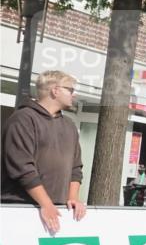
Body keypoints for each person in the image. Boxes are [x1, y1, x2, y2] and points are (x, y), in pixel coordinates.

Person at [1, 70, 87, 234]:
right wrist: (46, 204)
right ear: (55, 90)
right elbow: (22, 168)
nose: (73, 95)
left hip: (57, 211)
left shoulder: (69, 125)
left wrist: (73, 197)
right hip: (20, 209)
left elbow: (76, 168)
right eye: (70, 90)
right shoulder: (23, 119)